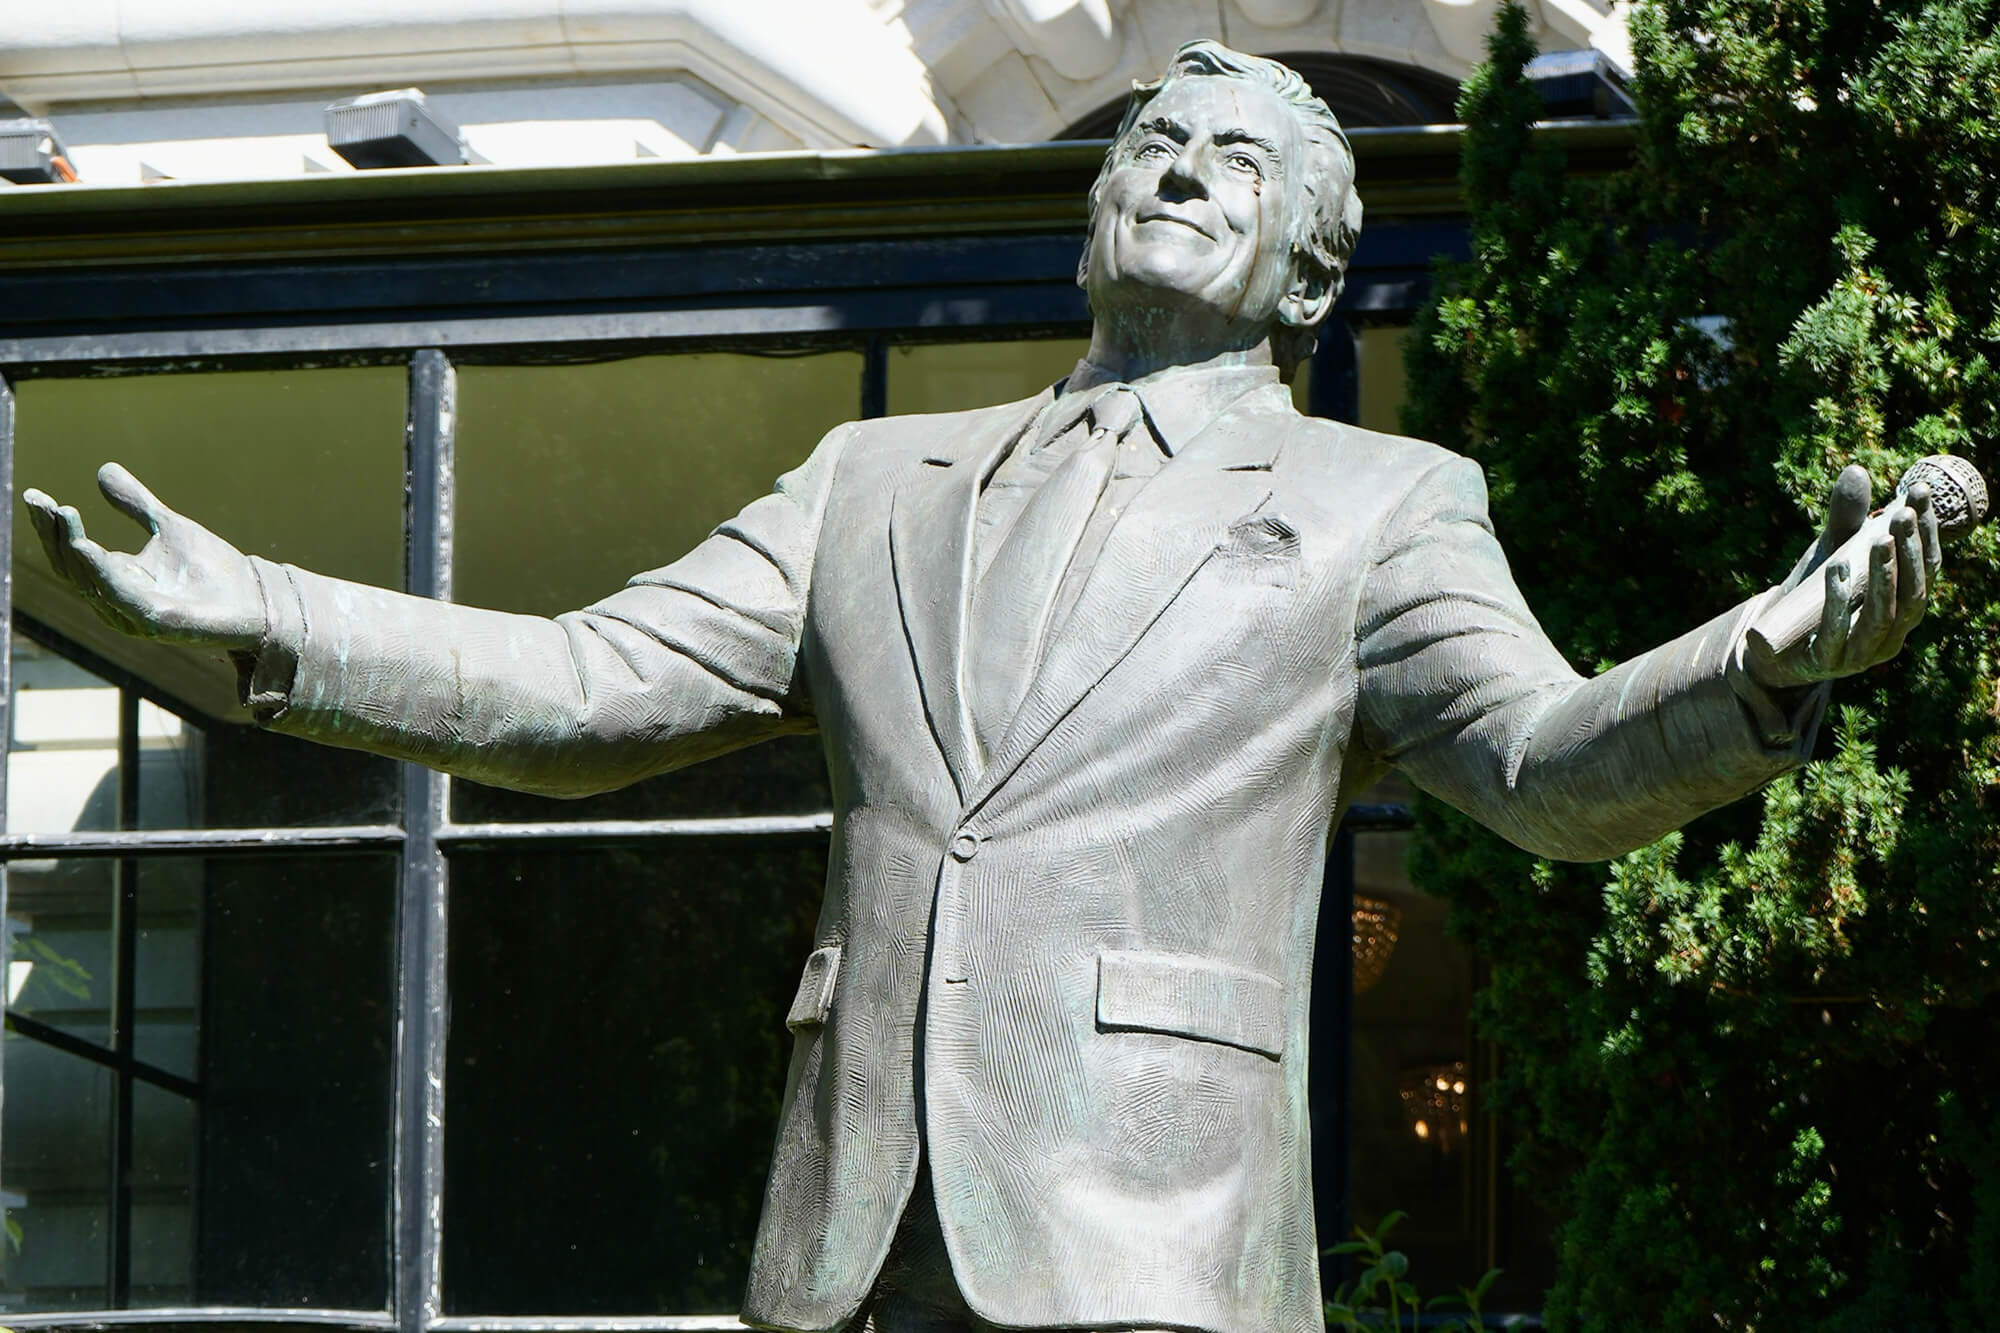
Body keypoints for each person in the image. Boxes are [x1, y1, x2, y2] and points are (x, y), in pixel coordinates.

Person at [24, 41, 1941, 1333]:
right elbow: (588, 679)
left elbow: (1541, 760)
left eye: (1237, 168)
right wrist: (254, 603)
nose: (1179, 172)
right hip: (853, 1234)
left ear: (1307, 284)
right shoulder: (875, 481)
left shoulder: (1382, 503)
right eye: (1151, 148)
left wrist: (1771, 653)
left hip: (1155, 1243)